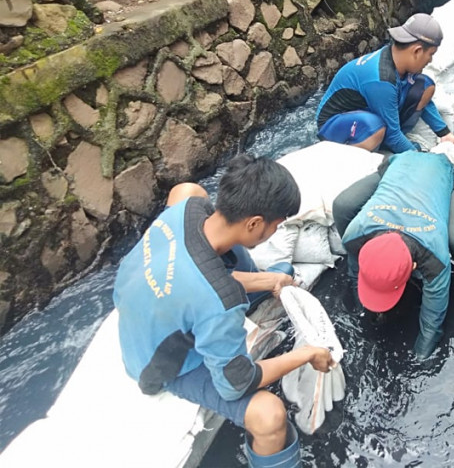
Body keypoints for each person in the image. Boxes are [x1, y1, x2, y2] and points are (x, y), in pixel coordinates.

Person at [113, 154, 334, 468]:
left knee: (188, 189)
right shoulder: (220, 300)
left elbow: (206, 282)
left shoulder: (189, 211)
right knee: (269, 416)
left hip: (142, 298)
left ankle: (269, 277)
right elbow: (237, 383)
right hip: (157, 364)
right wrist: (307, 353)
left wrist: (268, 279)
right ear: (255, 223)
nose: (276, 231)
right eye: (276, 225)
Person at [332, 151, 454, 359]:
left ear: (414, 268)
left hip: (441, 171)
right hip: (400, 163)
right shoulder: (355, 235)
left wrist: (421, 357)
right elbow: (356, 275)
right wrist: (362, 311)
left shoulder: (433, 256)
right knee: (342, 204)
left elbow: (432, 325)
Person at [316, 13, 454, 152]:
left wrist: (444, 134)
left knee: (424, 86)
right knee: (375, 127)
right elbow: (393, 136)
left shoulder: (398, 62)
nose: (430, 60)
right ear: (417, 51)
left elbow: (425, 102)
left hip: (365, 110)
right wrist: (417, 158)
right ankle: (366, 154)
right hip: (333, 126)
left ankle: (386, 143)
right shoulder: (381, 79)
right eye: (430, 55)